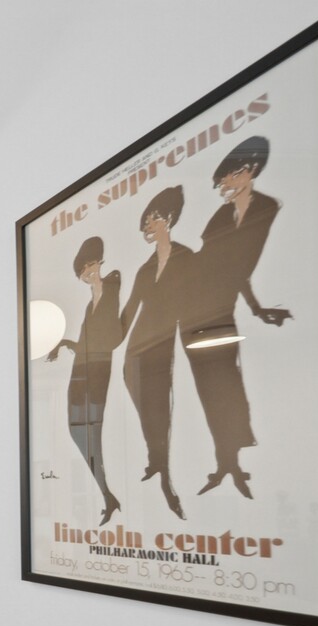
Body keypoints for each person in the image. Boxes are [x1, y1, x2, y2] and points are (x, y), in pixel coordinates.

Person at [181, 135, 291, 499]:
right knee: (212, 388)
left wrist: (258, 308)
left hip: (218, 309)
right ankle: (225, 462)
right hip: (194, 308)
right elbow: (215, 264)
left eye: (228, 178)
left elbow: (239, 268)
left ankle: (231, 462)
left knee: (227, 383)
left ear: (249, 171)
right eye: (220, 181)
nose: (222, 187)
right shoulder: (220, 216)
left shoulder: (265, 208)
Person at [119, 185, 193, 519]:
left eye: (152, 220)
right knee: (149, 410)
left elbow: (197, 304)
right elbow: (128, 312)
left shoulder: (186, 258)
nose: (147, 227)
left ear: (168, 219)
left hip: (163, 348)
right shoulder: (144, 269)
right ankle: (156, 460)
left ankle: (164, 477)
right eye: (145, 221)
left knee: (160, 410)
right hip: (135, 350)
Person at [47, 236, 126, 524]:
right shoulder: (88, 305)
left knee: (92, 430)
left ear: (98, 263)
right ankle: (107, 494)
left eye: (89, 266)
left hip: (97, 372)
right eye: (82, 271)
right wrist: (62, 344)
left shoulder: (113, 286)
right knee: (76, 429)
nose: (86, 274)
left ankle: (107, 495)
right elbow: (85, 344)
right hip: (80, 373)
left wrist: (99, 286)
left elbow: (111, 338)